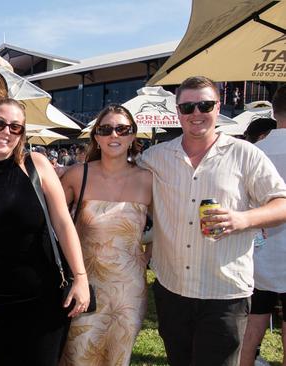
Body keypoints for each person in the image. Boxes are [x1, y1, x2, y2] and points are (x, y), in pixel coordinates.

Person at [137, 76, 286, 366]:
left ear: (218, 107)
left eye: (204, 105)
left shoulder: (246, 154)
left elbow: (281, 203)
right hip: (172, 291)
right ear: (177, 112)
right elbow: (118, 178)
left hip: (224, 294)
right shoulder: (155, 157)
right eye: (187, 107)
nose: (196, 114)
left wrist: (242, 219)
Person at [0, 98, 90, 365]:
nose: (5, 131)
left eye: (15, 127)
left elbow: (63, 223)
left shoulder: (37, 164)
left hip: (45, 296)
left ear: (22, 133)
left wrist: (80, 277)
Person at [59, 104, 152, 366]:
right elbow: (53, 220)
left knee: (116, 358)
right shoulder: (78, 175)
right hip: (85, 286)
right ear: (96, 137)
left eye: (122, 129)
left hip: (129, 292)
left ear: (132, 136)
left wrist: (150, 252)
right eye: (106, 129)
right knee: (77, 356)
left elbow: (170, 224)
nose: (114, 135)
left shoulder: (147, 179)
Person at [240, 85, 286, 366]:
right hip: (262, 249)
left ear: (274, 111)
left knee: (250, 329)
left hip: (258, 255)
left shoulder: (252, 152)